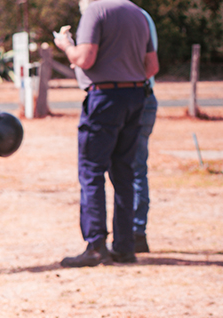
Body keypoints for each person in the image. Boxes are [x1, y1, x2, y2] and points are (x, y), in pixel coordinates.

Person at [56, 0, 158, 267]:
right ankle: (125, 247)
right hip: (136, 96)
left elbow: (85, 58)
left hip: (104, 98)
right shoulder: (138, 13)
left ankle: (96, 246)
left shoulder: (95, 11)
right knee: (124, 172)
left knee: (91, 171)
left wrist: (66, 45)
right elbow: (152, 67)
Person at [131, 9, 158, 254]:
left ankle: (136, 232)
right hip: (145, 96)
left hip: (137, 97)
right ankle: (135, 231)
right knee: (136, 167)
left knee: (133, 167)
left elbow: (151, 66)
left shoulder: (127, 17)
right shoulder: (143, 16)